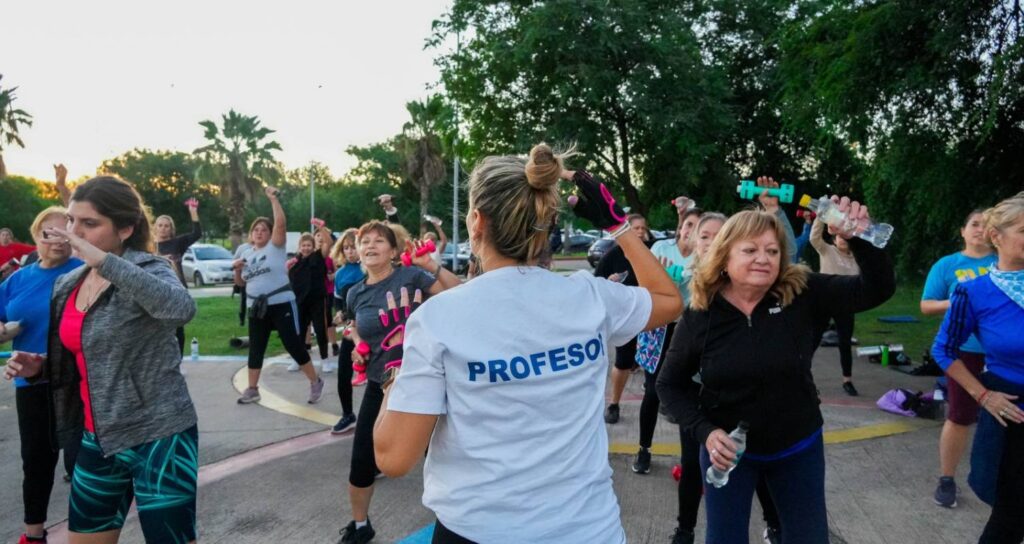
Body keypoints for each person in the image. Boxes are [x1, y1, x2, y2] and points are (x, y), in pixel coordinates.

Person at [373, 143, 683, 543]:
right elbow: (670, 302)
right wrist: (617, 226)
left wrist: (395, 369)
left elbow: (393, 458)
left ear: (476, 221)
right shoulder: (589, 297)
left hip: (480, 531)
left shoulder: (437, 319)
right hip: (589, 531)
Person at [657, 195, 895, 543]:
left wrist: (857, 237)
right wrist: (706, 432)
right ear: (725, 257)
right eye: (750, 250)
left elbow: (876, 289)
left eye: (772, 251)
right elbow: (669, 384)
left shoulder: (803, 292)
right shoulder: (702, 313)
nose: (763, 259)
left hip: (796, 446)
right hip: (728, 454)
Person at [4, 175, 200, 544]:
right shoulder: (69, 284)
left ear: (126, 228)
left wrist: (104, 261)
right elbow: (89, 350)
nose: (72, 232)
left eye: (89, 224)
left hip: (159, 436)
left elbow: (180, 309)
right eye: (71, 221)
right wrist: (40, 366)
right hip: (97, 439)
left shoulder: (149, 270)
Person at [337, 220, 459, 544]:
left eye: (379, 240)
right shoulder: (355, 293)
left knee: (444, 453)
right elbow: (354, 326)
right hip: (382, 382)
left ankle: (462, 520)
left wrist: (431, 265)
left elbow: (458, 295)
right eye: (365, 241)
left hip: (429, 379)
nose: (370, 245)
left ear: (393, 250)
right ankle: (360, 525)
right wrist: (358, 346)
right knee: (363, 458)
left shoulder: (411, 277)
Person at [931, 193, 1024, 543]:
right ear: (996, 237)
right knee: (1009, 518)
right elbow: (944, 350)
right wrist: (982, 395)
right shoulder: (974, 292)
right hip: (1013, 415)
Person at [2, 206, 83, 544]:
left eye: (66, 231)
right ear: (36, 236)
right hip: (31, 383)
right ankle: (33, 535)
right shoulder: (17, 280)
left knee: (80, 461)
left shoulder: (83, 272)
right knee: (35, 459)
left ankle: (87, 533)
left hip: (77, 380)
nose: (58, 240)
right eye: (50, 232)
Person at [921, 208, 998, 508]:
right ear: (963, 231)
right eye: (974, 224)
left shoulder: (1007, 263)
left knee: (1008, 417)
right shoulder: (948, 265)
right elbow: (926, 306)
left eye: (986, 225)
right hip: (964, 351)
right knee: (960, 417)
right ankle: (947, 479)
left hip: (1002, 352)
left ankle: (1000, 479)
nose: (980, 230)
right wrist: (955, 302)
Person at [233, 186, 324, 405]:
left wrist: (273, 199)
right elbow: (241, 283)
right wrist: (237, 270)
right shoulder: (245, 253)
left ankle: (315, 381)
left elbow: (281, 224)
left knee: (293, 344)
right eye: (256, 229)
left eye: (264, 229)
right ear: (250, 233)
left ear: (271, 233)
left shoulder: (275, 247)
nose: (259, 232)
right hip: (257, 307)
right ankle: (252, 388)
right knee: (256, 347)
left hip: (280, 303)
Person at [631, 205, 701, 473]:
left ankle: (690, 459)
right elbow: (645, 283)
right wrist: (662, 276)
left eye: (698, 228)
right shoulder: (660, 248)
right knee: (653, 391)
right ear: (681, 227)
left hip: (687, 329)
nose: (692, 232)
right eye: (689, 225)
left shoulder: (703, 257)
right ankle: (644, 449)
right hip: (658, 327)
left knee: (687, 392)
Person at [596, 213, 652, 424]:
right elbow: (596, 283)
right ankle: (614, 403)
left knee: (656, 363)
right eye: (635, 228)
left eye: (642, 229)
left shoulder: (651, 252)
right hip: (626, 317)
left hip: (652, 315)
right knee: (623, 361)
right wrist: (608, 283)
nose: (639, 232)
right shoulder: (612, 256)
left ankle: (659, 396)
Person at [809, 215, 862, 396]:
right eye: (839, 237)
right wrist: (821, 216)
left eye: (845, 237)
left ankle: (847, 380)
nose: (843, 240)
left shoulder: (857, 258)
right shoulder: (827, 250)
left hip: (845, 305)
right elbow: (814, 238)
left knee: (844, 342)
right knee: (813, 339)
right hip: (823, 302)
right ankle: (802, 376)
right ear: (834, 238)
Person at [154, 198, 202, 354]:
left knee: (177, 329)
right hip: (156, 292)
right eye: (160, 225)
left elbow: (197, 233)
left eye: (166, 226)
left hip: (177, 290)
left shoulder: (178, 243)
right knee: (157, 330)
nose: (163, 229)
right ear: (155, 228)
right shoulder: (149, 246)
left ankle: (178, 360)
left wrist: (193, 212)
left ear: (171, 229)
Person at [330, 229, 363, 433]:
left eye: (354, 247)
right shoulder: (340, 274)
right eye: (346, 248)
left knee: (380, 378)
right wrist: (340, 315)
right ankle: (347, 414)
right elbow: (339, 303)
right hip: (351, 331)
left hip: (373, 331)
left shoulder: (370, 269)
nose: (350, 252)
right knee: (343, 374)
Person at [288, 233, 330, 365]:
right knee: (299, 331)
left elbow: (328, 243)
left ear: (313, 246)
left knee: (320, 330)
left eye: (308, 245)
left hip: (317, 301)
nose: (306, 248)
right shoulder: (294, 261)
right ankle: (299, 360)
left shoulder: (318, 257)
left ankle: (325, 359)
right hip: (300, 301)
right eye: (303, 245)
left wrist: (322, 227)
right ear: (299, 247)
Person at [317, 226, 340, 366]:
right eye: (318, 235)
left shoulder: (329, 256)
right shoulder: (310, 254)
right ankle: (307, 345)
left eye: (322, 235)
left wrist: (332, 276)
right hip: (313, 293)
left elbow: (337, 271)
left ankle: (333, 344)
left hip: (327, 291)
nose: (320, 238)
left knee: (327, 319)